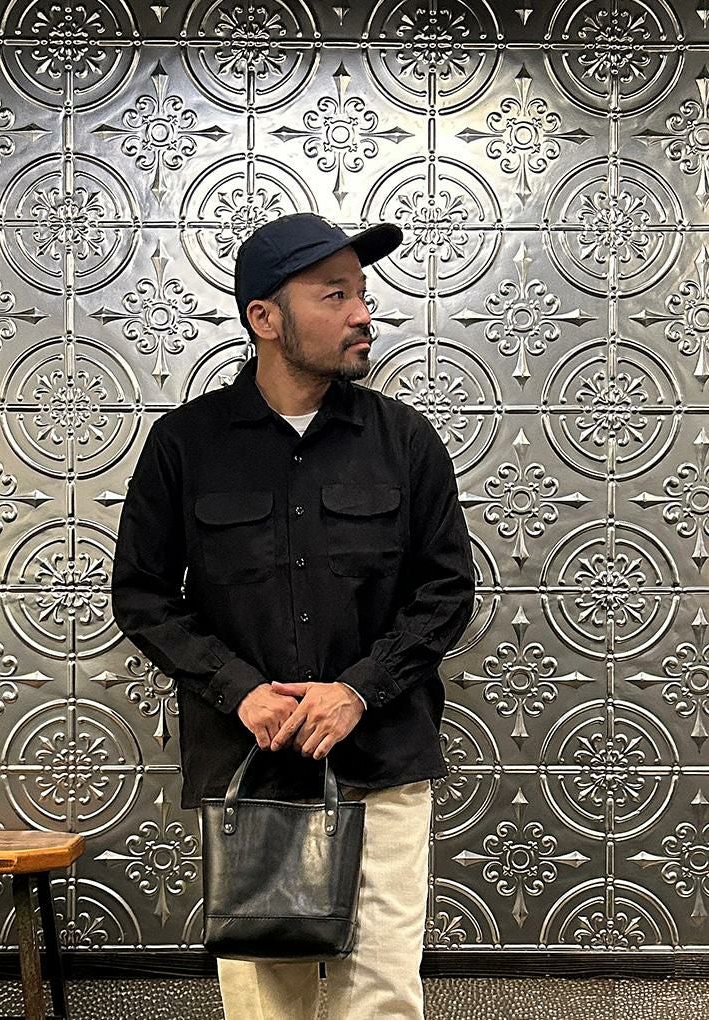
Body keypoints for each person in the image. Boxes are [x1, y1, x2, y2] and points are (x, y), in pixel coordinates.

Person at [111, 212, 475, 1020]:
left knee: (381, 998)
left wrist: (357, 691)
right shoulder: (185, 445)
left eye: (362, 293)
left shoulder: (404, 440)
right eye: (334, 295)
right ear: (265, 318)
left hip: (382, 764)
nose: (363, 314)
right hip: (252, 773)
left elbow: (447, 590)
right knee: (267, 1005)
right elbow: (141, 594)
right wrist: (238, 688)